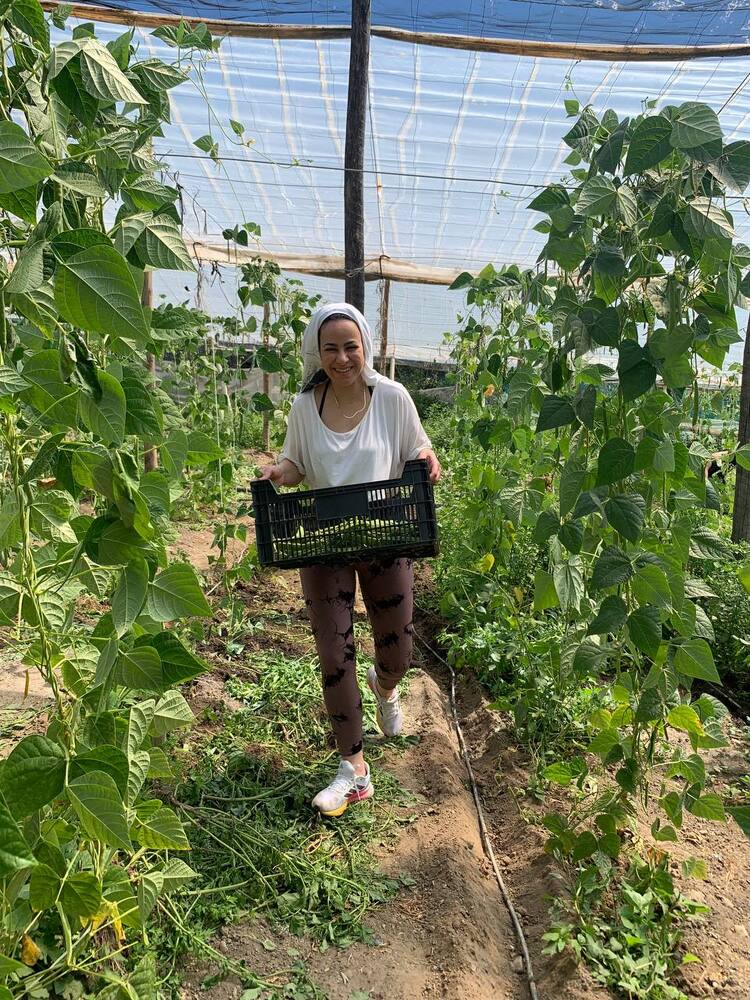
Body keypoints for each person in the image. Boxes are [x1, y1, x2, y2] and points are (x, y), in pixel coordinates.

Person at [259, 302, 440, 817]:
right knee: (334, 654)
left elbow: (419, 450)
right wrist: (281, 472)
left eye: (351, 346)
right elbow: (296, 463)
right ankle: (354, 770)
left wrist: (428, 461)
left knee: (397, 648)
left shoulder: (393, 398)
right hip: (325, 539)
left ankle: (386, 690)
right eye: (331, 348)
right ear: (317, 353)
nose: (342, 358)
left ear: (365, 348)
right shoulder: (303, 405)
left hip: (385, 534)